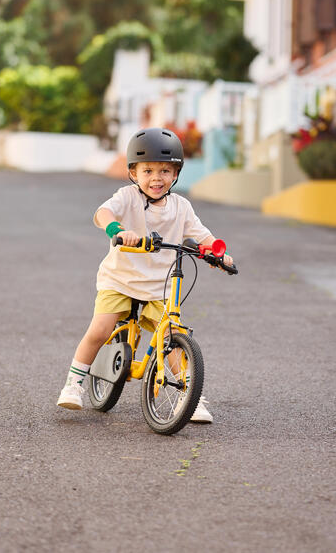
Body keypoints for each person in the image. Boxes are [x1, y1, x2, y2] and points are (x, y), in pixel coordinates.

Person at [56, 127, 234, 423]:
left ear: (176, 173)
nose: (156, 178)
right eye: (148, 170)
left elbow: (203, 236)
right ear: (133, 173)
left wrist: (217, 253)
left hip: (158, 286)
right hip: (120, 280)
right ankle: (73, 385)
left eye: (165, 170)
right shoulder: (127, 197)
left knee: (173, 336)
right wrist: (117, 230)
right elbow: (104, 213)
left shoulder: (181, 207)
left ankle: (189, 395)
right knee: (100, 330)